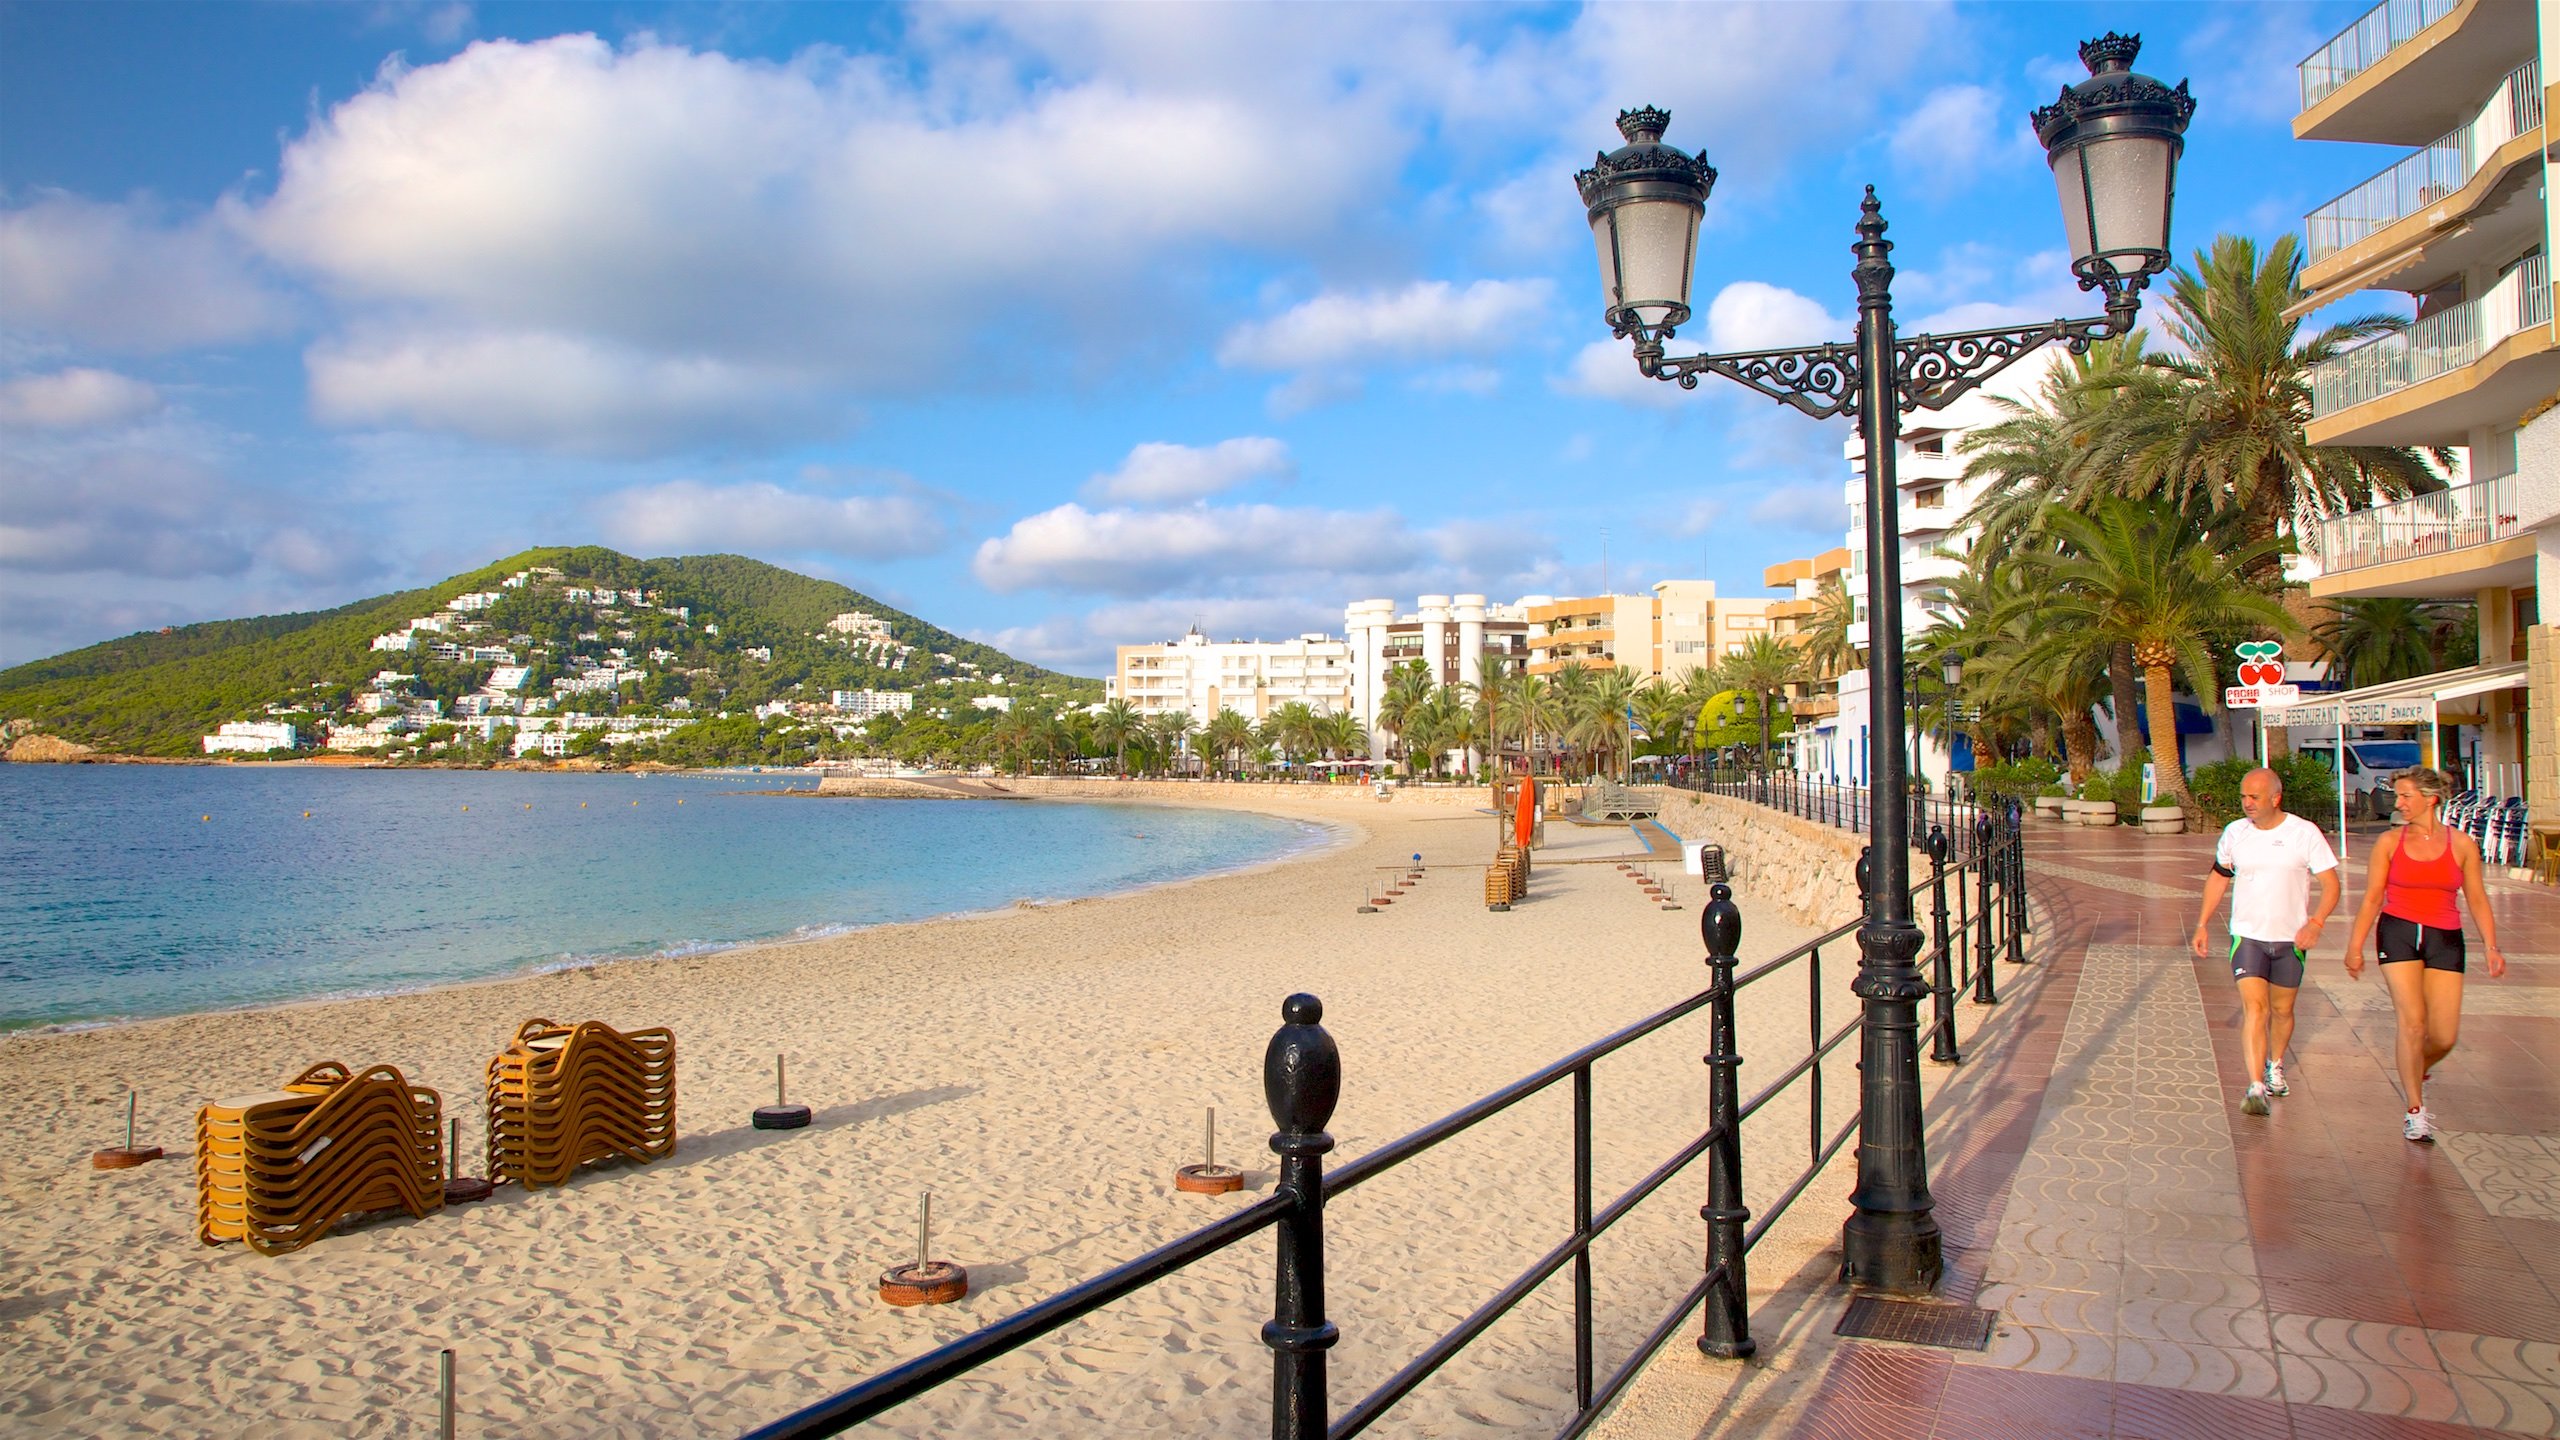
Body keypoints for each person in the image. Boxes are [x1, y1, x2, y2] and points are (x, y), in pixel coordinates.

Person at [2343, 766, 2506, 1142]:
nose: (2397, 803)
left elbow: (2477, 899)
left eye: (2405, 796)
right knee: (2413, 1024)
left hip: (2445, 936)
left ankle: (2415, 1069)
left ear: (2430, 799)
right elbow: (2371, 898)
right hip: (2398, 931)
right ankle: (2415, 1111)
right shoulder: (2389, 842)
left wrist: (2492, 946)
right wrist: (2355, 947)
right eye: (2397, 796)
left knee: (2445, 1035)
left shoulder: (2461, 844)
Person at [2192, 767, 2340, 1117]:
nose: (2247, 804)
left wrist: (2316, 922)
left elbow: (2331, 885)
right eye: (2243, 797)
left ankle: (2276, 1064)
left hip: (2291, 939)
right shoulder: (2235, 834)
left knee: (2282, 1010)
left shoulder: (2304, 834)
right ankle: (2255, 1085)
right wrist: (2201, 924)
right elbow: (2218, 878)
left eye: (2254, 797)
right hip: (2248, 936)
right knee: (2255, 1008)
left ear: (2276, 798)